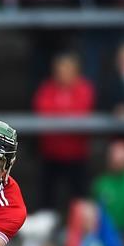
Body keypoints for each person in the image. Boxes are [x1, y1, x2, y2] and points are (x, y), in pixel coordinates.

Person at [32, 53, 95, 210]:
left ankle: (81, 230)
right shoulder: (47, 88)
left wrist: (59, 114)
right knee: (47, 198)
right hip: (51, 152)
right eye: (60, 70)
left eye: (67, 70)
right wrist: (66, 113)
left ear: (75, 71)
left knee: (80, 197)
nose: (63, 74)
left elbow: (82, 111)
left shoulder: (84, 88)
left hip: (76, 153)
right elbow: (42, 109)